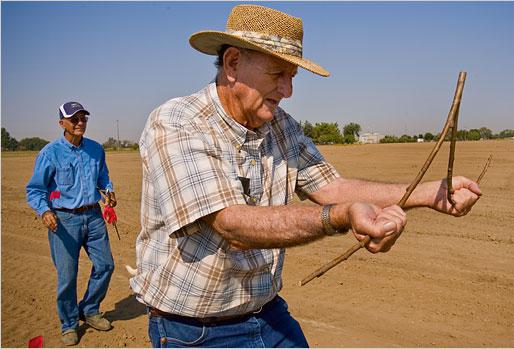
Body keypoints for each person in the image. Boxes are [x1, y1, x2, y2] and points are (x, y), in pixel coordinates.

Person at [130, 4, 481, 348]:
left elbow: (331, 187)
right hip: (196, 330)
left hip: (268, 314)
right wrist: (339, 217)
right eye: (277, 74)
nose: (288, 90)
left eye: (292, 77)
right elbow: (231, 225)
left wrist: (429, 193)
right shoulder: (178, 123)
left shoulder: (283, 127)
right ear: (233, 63)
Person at [26, 101, 117, 346]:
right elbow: (35, 190)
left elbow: (103, 178)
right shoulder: (50, 153)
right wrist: (45, 211)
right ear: (62, 123)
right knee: (67, 276)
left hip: (94, 216)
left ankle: (89, 309)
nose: (80, 123)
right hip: (63, 220)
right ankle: (68, 324)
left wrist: (108, 191)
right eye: (74, 119)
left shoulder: (96, 150)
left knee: (106, 265)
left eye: (83, 118)